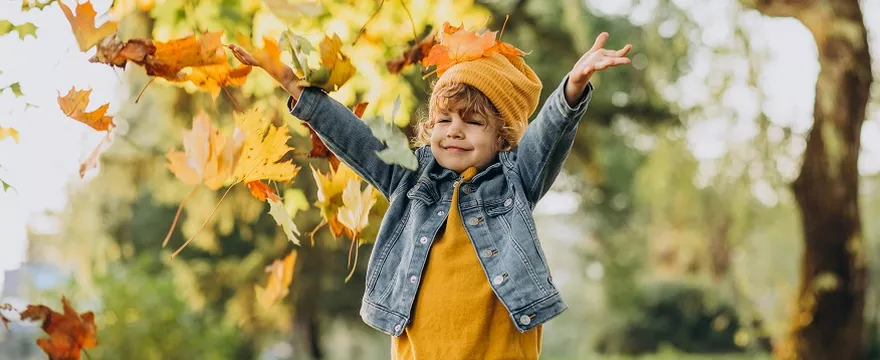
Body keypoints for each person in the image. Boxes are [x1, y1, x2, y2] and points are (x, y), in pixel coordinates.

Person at [231, 22, 631, 359]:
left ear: (503, 137)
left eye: (473, 122)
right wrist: (289, 81)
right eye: (444, 119)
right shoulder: (409, 178)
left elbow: (547, 136)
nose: (454, 130)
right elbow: (354, 138)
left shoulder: (515, 180)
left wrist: (572, 87)